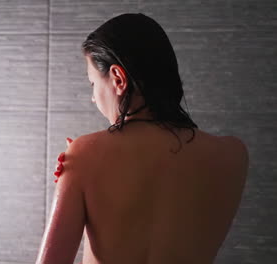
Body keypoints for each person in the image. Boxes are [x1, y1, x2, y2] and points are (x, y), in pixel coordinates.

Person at [35, 13, 249, 264]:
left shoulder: (84, 154)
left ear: (118, 78)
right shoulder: (233, 155)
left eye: (92, 84)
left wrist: (81, 168)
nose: (93, 98)